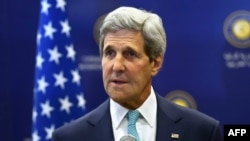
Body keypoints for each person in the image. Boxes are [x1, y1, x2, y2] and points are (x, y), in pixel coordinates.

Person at [52, 6, 222, 141]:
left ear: (155, 63)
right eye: (110, 53)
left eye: (130, 54)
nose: (117, 66)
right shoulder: (70, 137)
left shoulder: (201, 132)